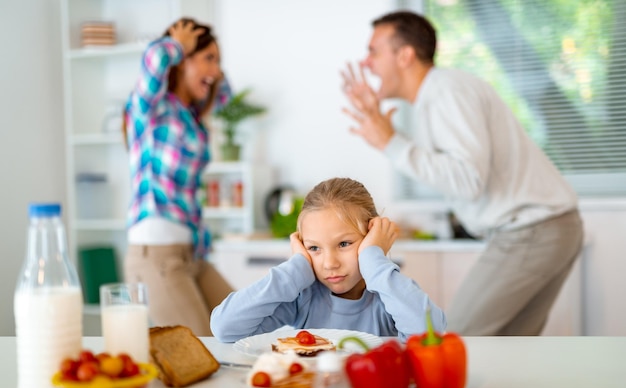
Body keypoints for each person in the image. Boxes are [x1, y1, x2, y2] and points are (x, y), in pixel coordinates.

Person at [340, 11, 584, 336]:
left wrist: (391, 142)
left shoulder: (445, 92)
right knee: (512, 350)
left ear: (405, 55)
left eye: (373, 51)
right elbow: (459, 171)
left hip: (532, 231)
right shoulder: (439, 94)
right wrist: (390, 138)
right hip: (547, 228)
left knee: (457, 340)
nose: (366, 63)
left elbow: (467, 180)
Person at [210, 177, 446, 343]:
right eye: (314, 248)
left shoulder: (389, 295)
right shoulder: (303, 297)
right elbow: (225, 329)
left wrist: (374, 260)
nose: (330, 263)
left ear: (371, 237)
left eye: (344, 244)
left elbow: (432, 336)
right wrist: (295, 269)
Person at [123, 18, 234, 336]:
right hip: (155, 256)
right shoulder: (151, 109)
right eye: (208, 58)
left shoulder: (190, 116)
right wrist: (177, 43)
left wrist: (211, 68)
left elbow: (225, 96)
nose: (215, 71)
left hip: (192, 253)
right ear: (180, 60)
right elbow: (155, 60)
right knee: (201, 349)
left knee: (245, 327)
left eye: (218, 61)